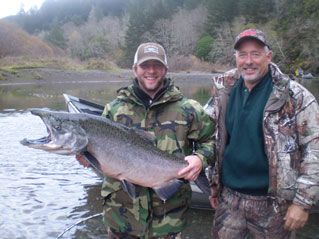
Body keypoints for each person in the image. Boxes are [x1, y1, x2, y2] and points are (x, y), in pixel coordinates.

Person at [78, 42, 215, 239]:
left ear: (166, 70)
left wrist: (201, 159)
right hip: (121, 220)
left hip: (168, 223)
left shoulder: (189, 108)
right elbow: (104, 161)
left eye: (157, 66)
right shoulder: (113, 110)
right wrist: (88, 158)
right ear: (135, 69)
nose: (151, 71)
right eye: (145, 66)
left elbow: (212, 140)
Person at [207, 29, 319, 238]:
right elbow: (217, 141)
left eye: (256, 54)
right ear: (235, 58)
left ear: (268, 56)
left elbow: (314, 150)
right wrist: (215, 187)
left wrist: (303, 203)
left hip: (275, 205)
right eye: (243, 55)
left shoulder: (296, 96)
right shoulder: (224, 91)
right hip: (229, 199)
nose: (248, 61)